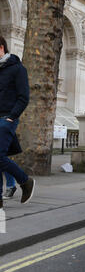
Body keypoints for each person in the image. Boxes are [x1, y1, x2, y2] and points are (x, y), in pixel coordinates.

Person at [0, 35, 35, 210]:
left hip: (6, 118)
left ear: (1, 48)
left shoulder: (17, 69)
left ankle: (25, 181)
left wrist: (12, 117)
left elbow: (24, 97)